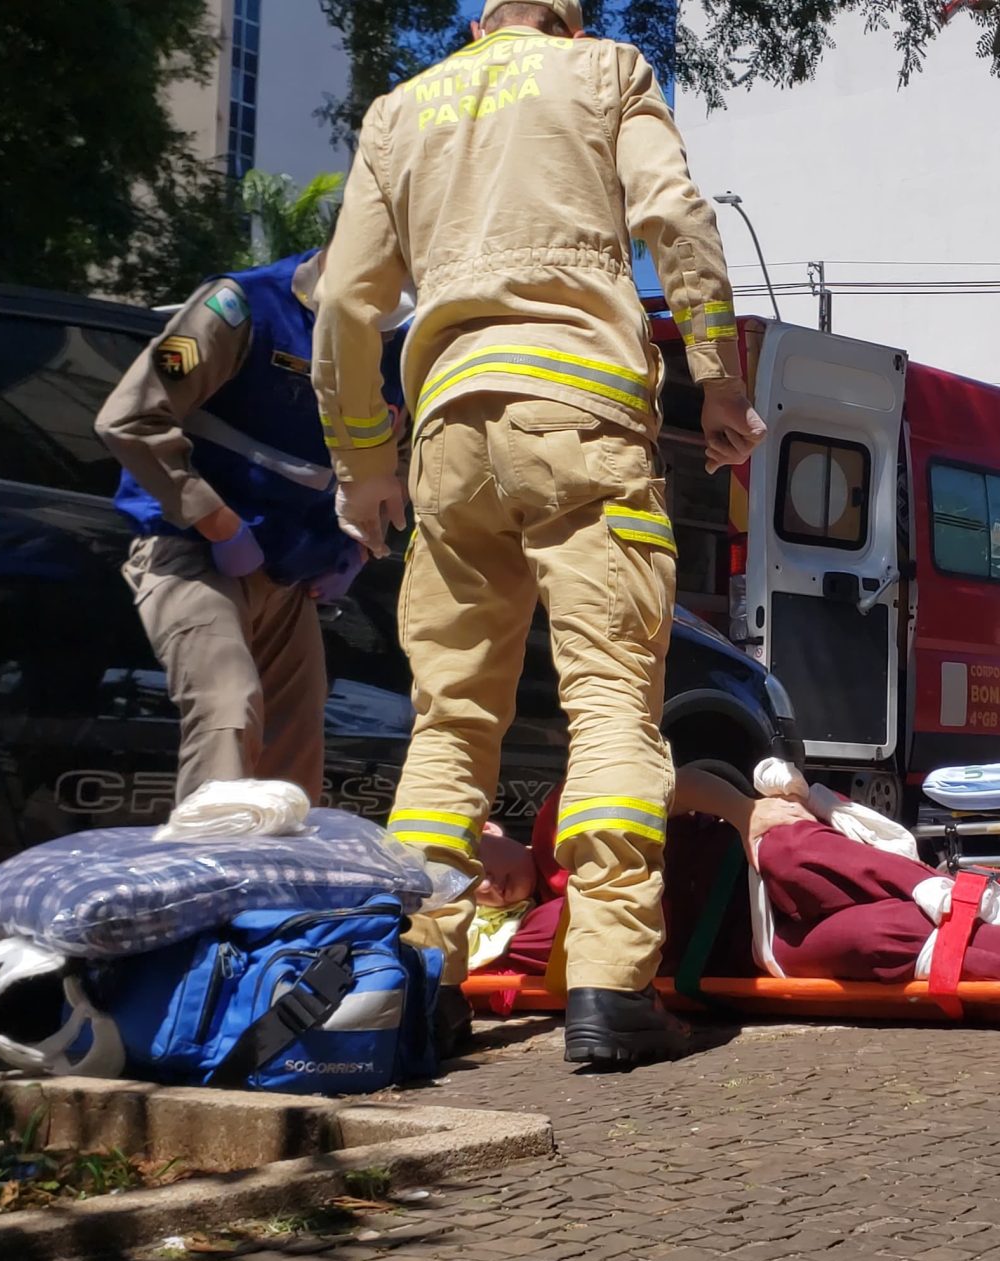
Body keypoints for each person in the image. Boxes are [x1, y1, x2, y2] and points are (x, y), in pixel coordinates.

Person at [312, 0, 769, 1067]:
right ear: (567, 21)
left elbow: (344, 298)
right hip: (580, 415)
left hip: (447, 431)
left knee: (450, 718)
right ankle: (610, 988)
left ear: (480, 26)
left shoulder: (402, 109)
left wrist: (362, 459)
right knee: (611, 697)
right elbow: (678, 221)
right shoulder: (606, 73)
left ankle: (417, 977)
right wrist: (719, 383)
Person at [452, 767, 1000, 988]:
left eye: (474, 869)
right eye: (469, 895)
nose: (485, 890)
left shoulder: (560, 818)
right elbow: (442, 959)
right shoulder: (513, 948)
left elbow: (673, 780)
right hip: (758, 950)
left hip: (750, 872)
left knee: (792, 851)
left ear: (489, 830)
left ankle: (993, 901)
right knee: (877, 939)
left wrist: (743, 813)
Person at [95, 248, 401, 804]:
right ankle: (212, 876)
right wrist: (218, 525)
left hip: (289, 581)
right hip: (192, 555)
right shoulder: (240, 308)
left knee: (294, 754)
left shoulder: (396, 335)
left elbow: (394, 463)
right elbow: (130, 418)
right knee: (228, 708)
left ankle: (274, 887)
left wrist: (356, 548)